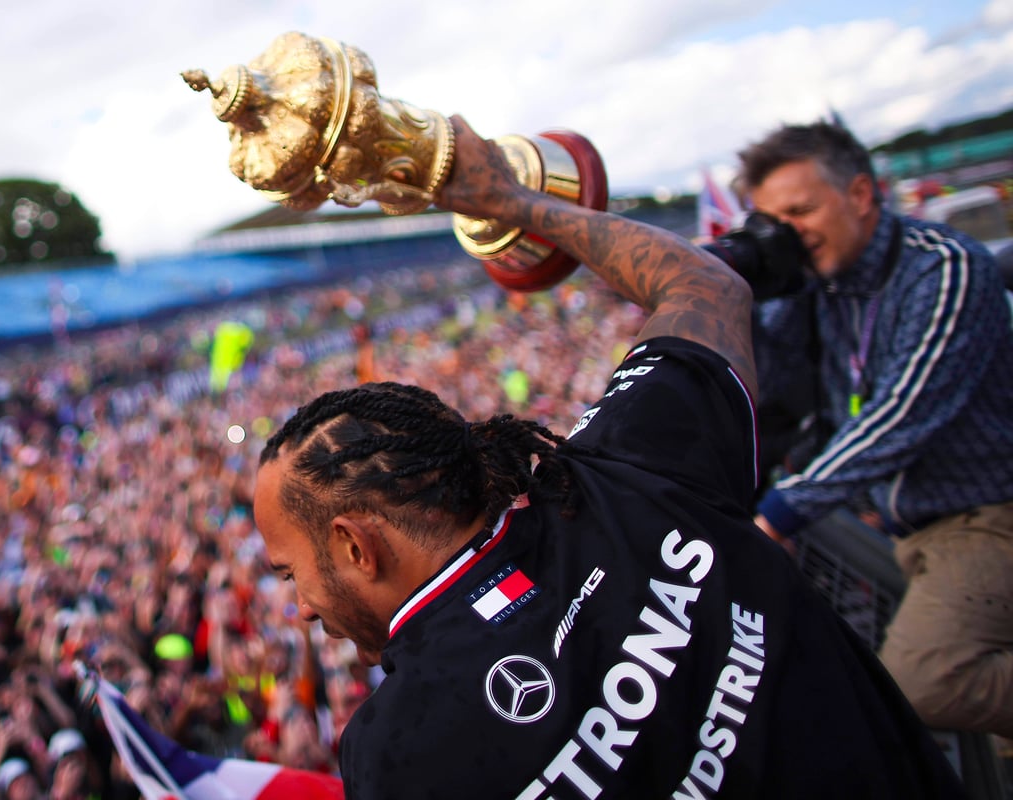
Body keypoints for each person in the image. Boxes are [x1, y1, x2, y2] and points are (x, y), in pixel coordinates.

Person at [251, 115, 966, 798]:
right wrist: (510, 199)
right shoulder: (617, 474)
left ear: (353, 544)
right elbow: (704, 285)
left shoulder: (395, 755)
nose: (302, 608)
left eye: (291, 572)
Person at [739, 120, 1013, 739]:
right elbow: (772, 390)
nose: (792, 235)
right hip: (906, 523)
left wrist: (784, 510)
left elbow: (902, 412)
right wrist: (741, 291)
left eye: (802, 211)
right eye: (776, 223)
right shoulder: (821, 286)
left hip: (986, 515)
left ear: (860, 195)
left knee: (921, 684)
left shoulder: (944, 268)